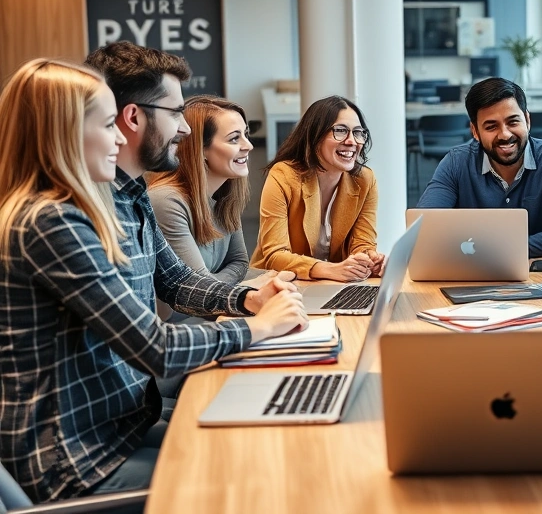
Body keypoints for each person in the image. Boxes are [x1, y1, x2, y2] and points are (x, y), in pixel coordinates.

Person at [0, 59, 306, 503]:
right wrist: (258, 328)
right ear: (63, 134)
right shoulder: (50, 222)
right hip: (78, 459)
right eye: (107, 125)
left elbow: (177, 282)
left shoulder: (123, 196)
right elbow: (157, 350)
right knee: (252, 480)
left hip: (121, 427)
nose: (118, 136)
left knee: (258, 447)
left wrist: (250, 298)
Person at [416, 77, 542, 257]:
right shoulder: (456, 163)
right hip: (472, 273)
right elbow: (425, 229)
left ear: (527, 120)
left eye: (513, 122)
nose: (505, 134)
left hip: (541, 277)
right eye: (491, 126)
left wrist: (487, 250)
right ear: (475, 131)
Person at [148, 96, 276, 292]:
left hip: (215, 312)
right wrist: (240, 285)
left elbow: (240, 262)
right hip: (187, 321)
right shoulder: (166, 201)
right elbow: (199, 290)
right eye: (234, 138)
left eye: (245, 135)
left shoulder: (225, 194)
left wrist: (217, 281)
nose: (248, 145)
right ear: (201, 149)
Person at [251, 95, 385, 281]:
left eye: (358, 132)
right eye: (340, 131)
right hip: (278, 284)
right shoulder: (283, 176)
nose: (352, 141)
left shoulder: (364, 180)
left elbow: (362, 242)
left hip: (332, 286)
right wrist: (330, 270)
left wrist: (368, 259)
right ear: (315, 136)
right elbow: (275, 255)